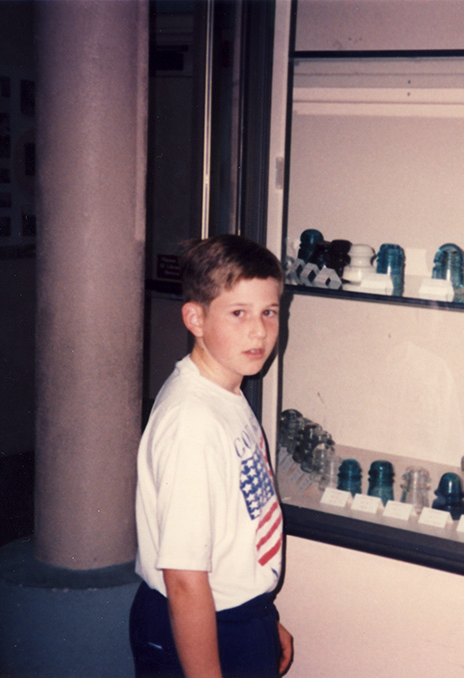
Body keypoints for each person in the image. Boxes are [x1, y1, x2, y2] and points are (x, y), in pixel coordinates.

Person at [130, 234, 293, 677]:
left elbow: (241, 523)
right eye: (238, 313)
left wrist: (261, 617)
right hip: (197, 621)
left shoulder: (225, 391)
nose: (259, 331)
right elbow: (184, 580)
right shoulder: (193, 423)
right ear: (195, 318)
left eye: (269, 312)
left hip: (235, 613)